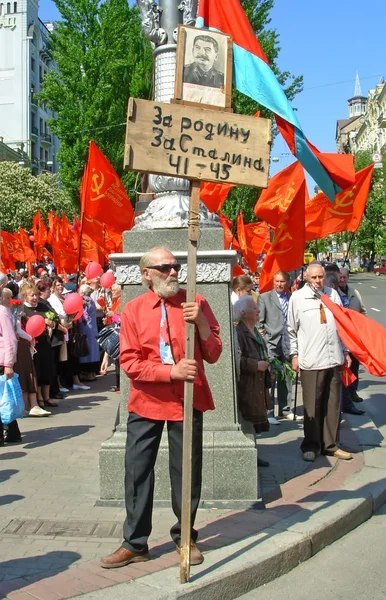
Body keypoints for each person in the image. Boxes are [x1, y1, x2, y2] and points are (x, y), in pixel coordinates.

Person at [100, 247, 222, 569]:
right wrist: (170, 371)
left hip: (186, 400)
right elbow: (129, 362)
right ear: (146, 275)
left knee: (186, 471)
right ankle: (135, 543)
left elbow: (214, 352)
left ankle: (185, 536)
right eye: (164, 267)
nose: (172, 272)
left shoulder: (196, 303)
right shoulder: (133, 310)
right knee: (137, 471)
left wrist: (204, 327)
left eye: (175, 266)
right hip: (146, 401)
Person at [287, 263, 353, 462]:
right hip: (311, 360)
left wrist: (346, 351)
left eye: (320, 277)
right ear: (307, 278)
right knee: (312, 405)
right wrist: (294, 355)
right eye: (314, 277)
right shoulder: (297, 298)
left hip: (333, 358)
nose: (318, 281)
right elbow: (290, 330)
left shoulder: (333, 296)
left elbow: (342, 326)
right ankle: (311, 445)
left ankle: (331, 445)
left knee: (333, 404)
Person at [233, 295, 271, 467]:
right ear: (243, 312)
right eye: (253, 308)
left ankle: (253, 454)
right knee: (246, 420)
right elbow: (236, 360)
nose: (257, 311)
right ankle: (249, 457)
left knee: (253, 422)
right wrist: (256, 365)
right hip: (247, 384)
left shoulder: (255, 331)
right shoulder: (238, 332)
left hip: (258, 384)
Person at [2, 288, 50, 417]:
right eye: (7, 297)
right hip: (15, 348)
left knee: (28, 373)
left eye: (11, 297)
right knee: (23, 374)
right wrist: (30, 337)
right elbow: (14, 331)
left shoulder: (13, 311)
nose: (10, 300)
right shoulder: (6, 312)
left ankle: (32, 404)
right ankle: (25, 405)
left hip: (21, 347)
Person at [258, 271, 295, 420]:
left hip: (288, 342)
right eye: (277, 281)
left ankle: (286, 409)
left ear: (288, 283)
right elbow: (259, 322)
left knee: (287, 376)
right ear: (273, 282)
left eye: (282, 282)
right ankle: (269, 411)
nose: (279, 284)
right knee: (270, 377)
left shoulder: (292, 299)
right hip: (271, 342)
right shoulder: (265, 298)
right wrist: (264, 341)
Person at [338, 267, 367, 415]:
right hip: (342, 337)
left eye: (345, 277)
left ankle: (353, 391)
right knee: (345, 369)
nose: (342, 280)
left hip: (355, 337)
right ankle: (346, 399)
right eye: (340, 277)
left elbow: (363, 311)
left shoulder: (354, 293)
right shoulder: (334, 293)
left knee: (354, 366)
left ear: (348, 278)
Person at [0, 273, 20, 444]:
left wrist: (9, 364)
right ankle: (11, 433)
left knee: (4, 399)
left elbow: (10, 338)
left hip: (1, 360)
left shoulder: (2, 311)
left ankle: (10, 433)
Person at [78, 284, 100, 381]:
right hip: (93, 327)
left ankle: (88, 374)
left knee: (87, 350)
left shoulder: (85, 301)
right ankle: (93, 374)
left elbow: (83, 315)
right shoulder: (91, 300)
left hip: (86, 327)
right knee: (93, 350)